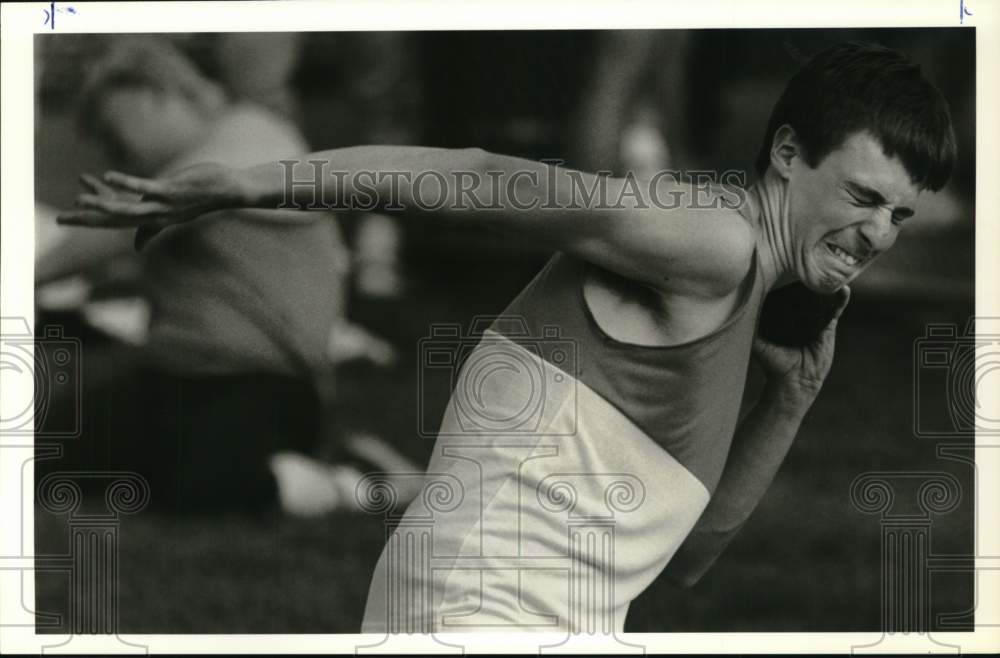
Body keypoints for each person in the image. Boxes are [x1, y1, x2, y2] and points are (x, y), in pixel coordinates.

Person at [59, 42, 956, 632]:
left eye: (902, 216)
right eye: (863, 198)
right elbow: (481, 180)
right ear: (790, 152)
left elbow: (688, 562)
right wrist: (249, 186)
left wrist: (789, 402)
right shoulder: (709, 240)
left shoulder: (739, 286)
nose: (879, 236)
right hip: (478, 617)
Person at [42, 38, 415, 516]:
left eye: (117, 135)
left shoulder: (250, 136)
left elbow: (125, 224)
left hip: (259, 386)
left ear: (153, 93)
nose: (120, 156)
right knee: (40, 454)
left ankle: (359, 481)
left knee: (203, 492)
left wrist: (25, 275)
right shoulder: (215, 146)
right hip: (171, 379)